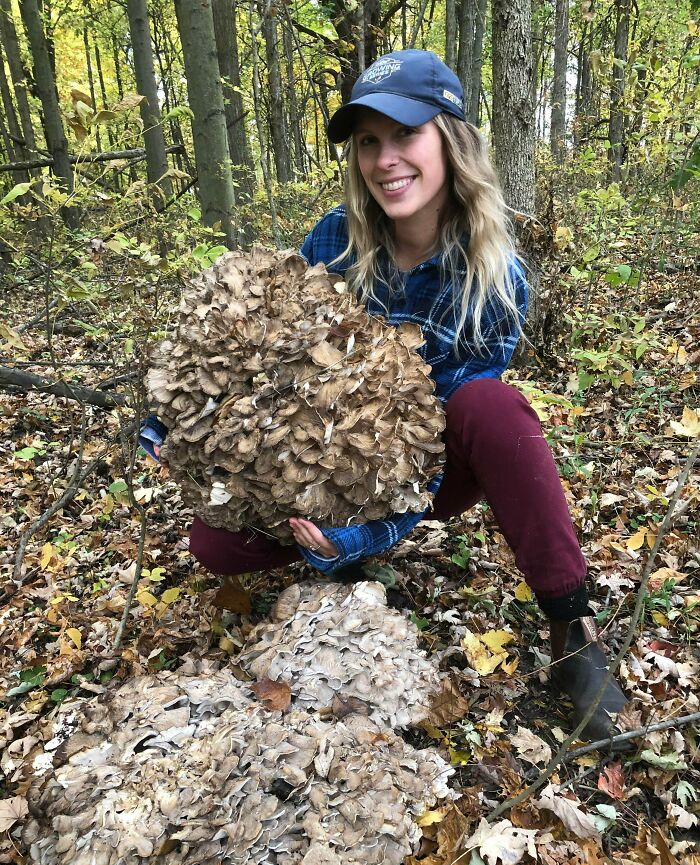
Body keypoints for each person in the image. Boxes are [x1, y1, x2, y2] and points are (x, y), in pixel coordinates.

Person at [144, 49, 627, 741]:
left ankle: (572, 626)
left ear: (451, 139)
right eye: (369, 141)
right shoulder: (335, 237)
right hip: (318, 467)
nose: (385, 159)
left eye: (405, 134)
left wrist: (376, 532)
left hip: (425, 470)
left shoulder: (497, 276)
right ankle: (328, 541)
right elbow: (263, 347)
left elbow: (437, 435)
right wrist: (179, 417)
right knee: (213, 545)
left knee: (493, 409)